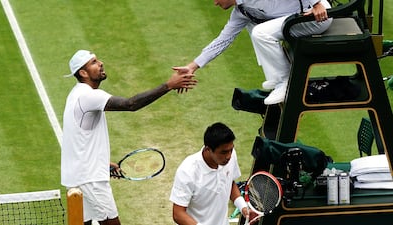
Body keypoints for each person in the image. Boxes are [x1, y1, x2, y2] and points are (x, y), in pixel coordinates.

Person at [61, 49, 196, 225]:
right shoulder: (88, 96)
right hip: (90, 179)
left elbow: (77, 138)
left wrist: (101, 163)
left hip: (79, 177)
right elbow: (130, 104)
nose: (100, 63)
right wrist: (168, 85)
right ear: (83, 72)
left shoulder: (75, 95)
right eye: (94, 62)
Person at [173, 0, 332, 105]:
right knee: (255, 28)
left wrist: (316, 3)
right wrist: (193, 66)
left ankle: (285, 82)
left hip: (317, 17)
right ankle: (276, 78)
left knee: (260, 32)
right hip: (298, 20)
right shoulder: (242, 11)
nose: (215, 3)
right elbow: (223, 40)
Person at [169, 122, 249, 225]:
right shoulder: (187, 171)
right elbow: (178, 214)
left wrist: (243, 207)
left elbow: (229, 183)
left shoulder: (230, 156)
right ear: (208, 149)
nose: (229, 156)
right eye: (224, 152)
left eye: (231, 149)